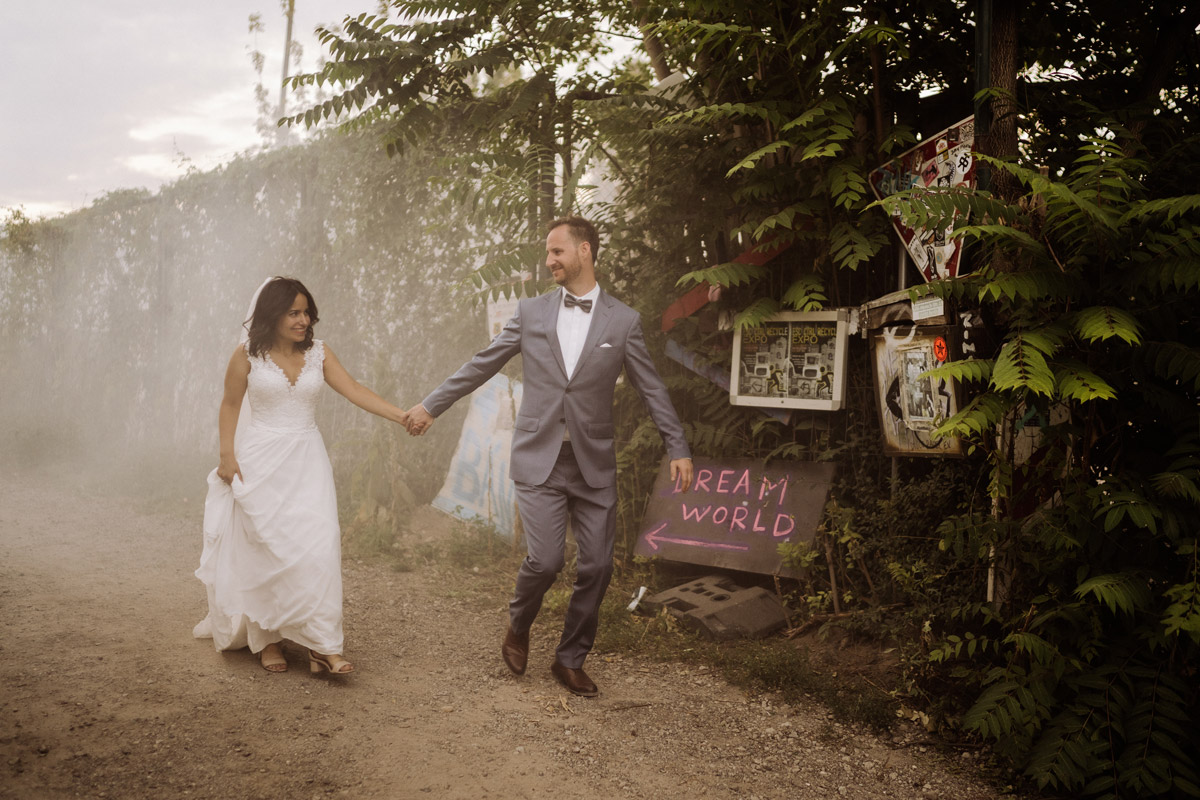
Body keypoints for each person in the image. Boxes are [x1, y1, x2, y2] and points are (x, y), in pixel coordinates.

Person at [405, 217, 693, 696]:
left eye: (557, 251)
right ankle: (519, 626)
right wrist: (431, 404)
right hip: (539, 458)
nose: (549, 261)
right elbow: (484, 362)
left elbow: (652, 388)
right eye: (547, 252)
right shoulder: (531, 312)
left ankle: (569, 658)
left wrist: (677, 446)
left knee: (598, 567)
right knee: (545, 559)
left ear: (584, 251)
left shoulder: (623, 322)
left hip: (593, 461)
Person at [193, 277, 409, 675]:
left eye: (306, 312)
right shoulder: (246, 356)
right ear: (272, 314)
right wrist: (227, 456)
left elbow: (355, 389)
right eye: (293, 312)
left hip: (308, 460)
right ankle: (268, 640)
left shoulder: (320, 354)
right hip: (260, 459)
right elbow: (230, 404)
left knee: (319, 546)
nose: (303, 320)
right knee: (266, 545)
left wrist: (401, 415)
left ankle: (322, 646)